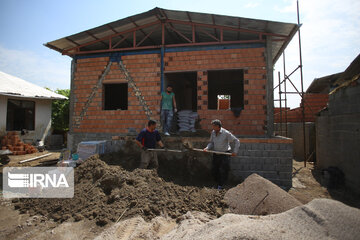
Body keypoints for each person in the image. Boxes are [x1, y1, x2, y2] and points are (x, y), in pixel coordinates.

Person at [204, 119, 240, 189]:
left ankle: (221, 185)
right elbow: (211, 143)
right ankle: (216, 184)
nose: (212, 128)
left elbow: (236, 141)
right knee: (215, 170)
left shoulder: (226, 133)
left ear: (218, 126)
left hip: (224, 154)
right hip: (216, 153)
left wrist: (235, 151)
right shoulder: (213, 132)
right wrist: (207, 148)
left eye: (213, 126)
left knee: (223, 170)